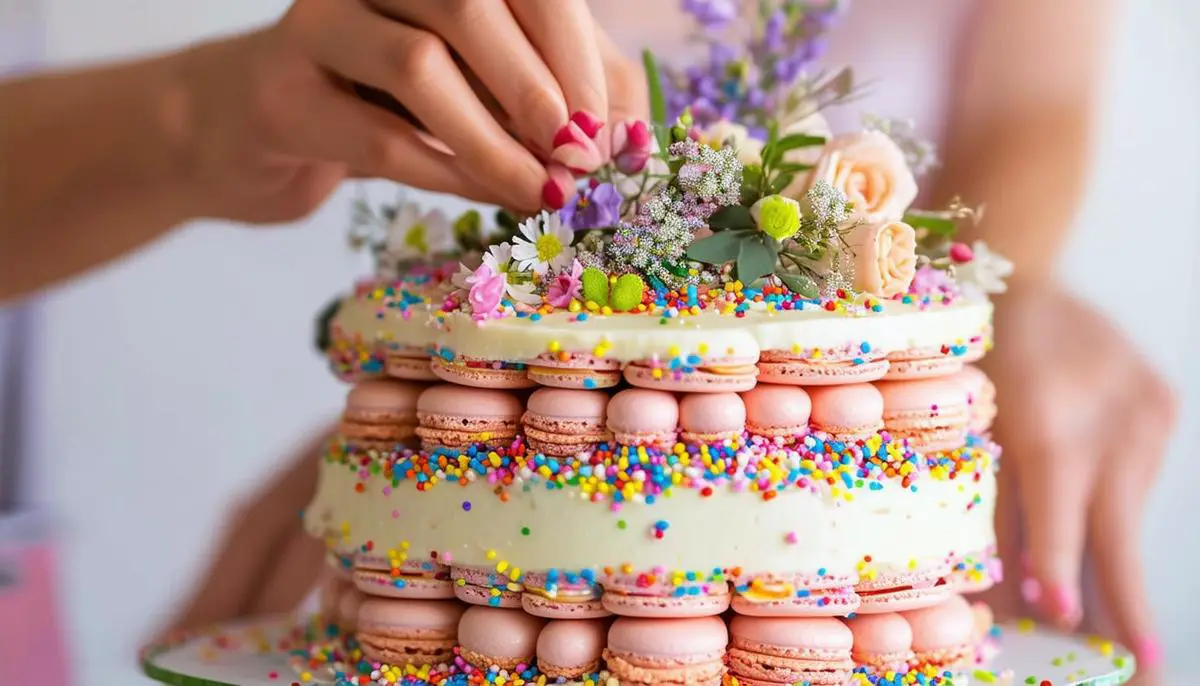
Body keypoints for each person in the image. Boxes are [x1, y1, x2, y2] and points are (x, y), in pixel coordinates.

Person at [0, 0, 1173, 680]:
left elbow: (1031, 105)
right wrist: (449, 446)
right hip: (410, 544)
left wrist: (990, 306)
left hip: (824, 520)